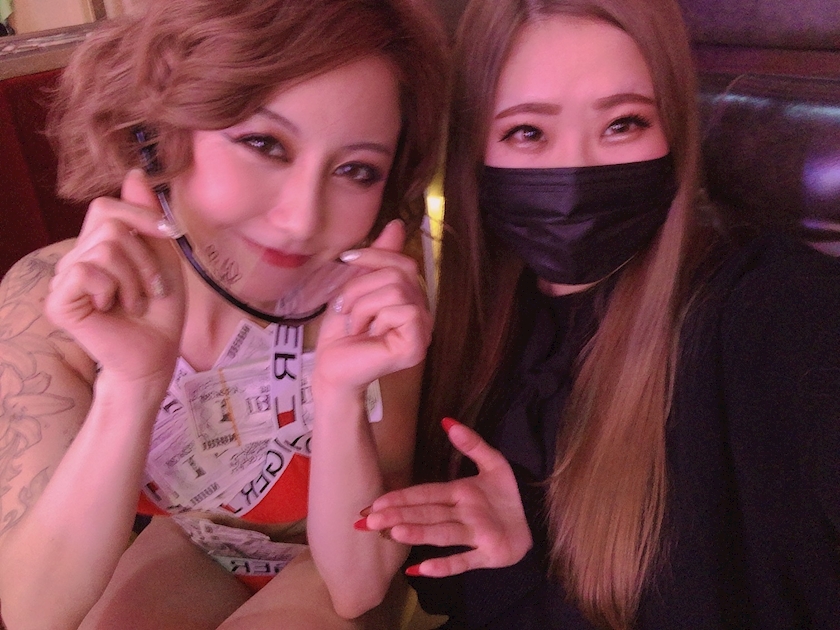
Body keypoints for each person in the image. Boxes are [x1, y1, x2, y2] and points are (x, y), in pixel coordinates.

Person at [356, 0, 840, 628]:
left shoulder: (774, 310)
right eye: (527, 132)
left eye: (623, 124)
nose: (576, 169)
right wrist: (522, 559)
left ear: (674, 130)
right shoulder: (482, 326)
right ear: (476, 152)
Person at [0, 0, 446, 628]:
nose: (302, 219)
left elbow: (355, 586)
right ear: (155, 130)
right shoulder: (51, 300)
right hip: (191, 546)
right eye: (264, 143)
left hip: (325, 563)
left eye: (355, 170)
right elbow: (34, 611)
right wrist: (131, 386)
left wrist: (339, 394)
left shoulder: (375, 301)